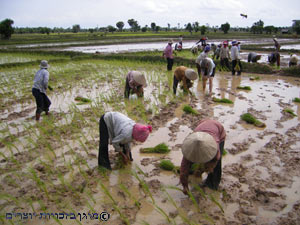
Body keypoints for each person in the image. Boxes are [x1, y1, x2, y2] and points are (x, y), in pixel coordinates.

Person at [180, 119, 226, 194]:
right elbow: (183, 170)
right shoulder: (189, 149)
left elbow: (216, 159)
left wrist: (210, 167)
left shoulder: (214, 147)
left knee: (215, 167)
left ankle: (212, 185)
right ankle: (194, 171)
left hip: (218, 130)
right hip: (202, 127)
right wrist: (185, 186)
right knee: (189, 164)